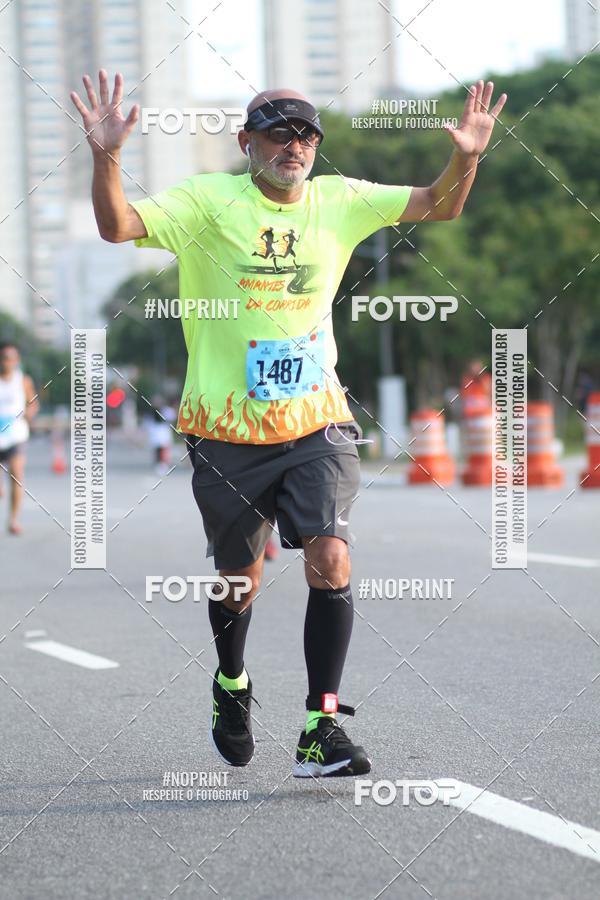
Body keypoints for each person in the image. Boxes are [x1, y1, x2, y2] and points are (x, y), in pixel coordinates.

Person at [71, 71, 506, 777]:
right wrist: (106, 156)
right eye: (278, 135)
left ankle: (320, 725)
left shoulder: (340, 200)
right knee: (239, 578)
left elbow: (440, 204)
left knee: (330, 556)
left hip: (316, 420)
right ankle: (231, 680)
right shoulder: (206, 200)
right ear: (247, 142)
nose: (294, 146)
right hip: (227, 429)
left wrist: (468, 157)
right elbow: (117, 225)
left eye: (306, 135)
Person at [0, 342, 39, 535]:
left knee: (17, 474)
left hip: (15, 435)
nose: (7, 362)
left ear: (17, 360)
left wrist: (30, 412)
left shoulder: (23, 380)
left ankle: (13, 520)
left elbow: (33, 403)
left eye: (10, 358)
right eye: (3, 358)